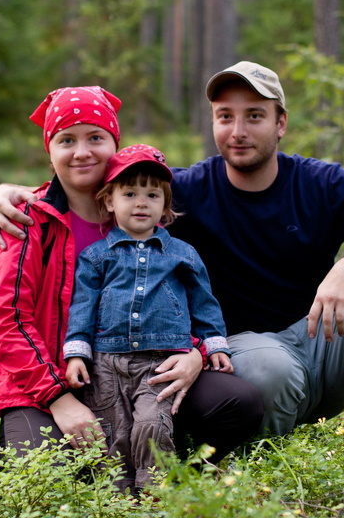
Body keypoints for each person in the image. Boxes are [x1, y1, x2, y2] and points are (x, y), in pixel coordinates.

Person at [0, 61, 344, 446]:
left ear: (281, 123)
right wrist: (6, 192)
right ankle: (266, 463)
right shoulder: (183, 191)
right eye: (225, 116)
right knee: (267, 372)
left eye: (254, 116)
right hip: (249, 356)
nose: (238, 131)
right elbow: (108, 185)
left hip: (322, 339)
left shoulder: (321, 183)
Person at [0, 85, 263, 464]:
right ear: (50, 151)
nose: (82, 152)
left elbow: (183, 292)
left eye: (95, 137)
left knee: (236, 403)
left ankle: (166, 473)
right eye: (66, 140)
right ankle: (115, 462)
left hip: (145, 371)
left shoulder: (146, 208)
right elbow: (5, 322)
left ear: (114, 144)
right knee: (40, 463)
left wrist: (196, 352)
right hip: (52, 383)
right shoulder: (25, 220)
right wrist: (59, 400)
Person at [64, 144, 234, 491]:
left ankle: (154, 491)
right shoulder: (96, 257)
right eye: (130, 193)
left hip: (160, 362)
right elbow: (82, 306)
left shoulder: (182, 255)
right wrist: (77, 352)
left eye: (152, 195)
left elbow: (204, 303)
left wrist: (215, 344)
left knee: (152, 424)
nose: (141, 202)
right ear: (110, 201)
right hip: (106, 361)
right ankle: (118, 495)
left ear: (164, 206)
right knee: (114, 431)